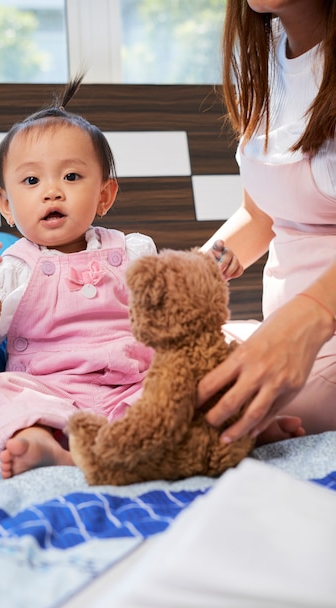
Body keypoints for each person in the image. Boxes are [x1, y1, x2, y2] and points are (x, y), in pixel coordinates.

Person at [0, 77, 157, 479]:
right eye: (31, 181)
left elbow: (170, 313)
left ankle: (229, 426)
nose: (52, 192)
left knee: (194, 379)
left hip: (132, 386)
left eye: (72, 177)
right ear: (5, 204)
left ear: (105, 196)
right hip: (54, 395)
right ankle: (46, 443)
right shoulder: (14, 269)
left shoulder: (131, 251)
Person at [197, 0, 336, 444]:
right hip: (286, 335)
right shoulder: (262, 59)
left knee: (214, 399)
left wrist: (312, 315)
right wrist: (194, 275)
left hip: (317, 343)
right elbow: (260, 216)